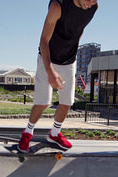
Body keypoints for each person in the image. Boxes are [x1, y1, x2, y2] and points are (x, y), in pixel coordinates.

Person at [17, 0, 98, 152]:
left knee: (67, 101)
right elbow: (44, 40)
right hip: (47, 56)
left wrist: (70, 47)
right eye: (89, 0)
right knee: (43, 101)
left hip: (69, 59)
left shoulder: (93, 7)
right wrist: (50, 71)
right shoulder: (58, 6)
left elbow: (79, 29)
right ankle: (27, 133)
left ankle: (54, 134)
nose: (91, 3)